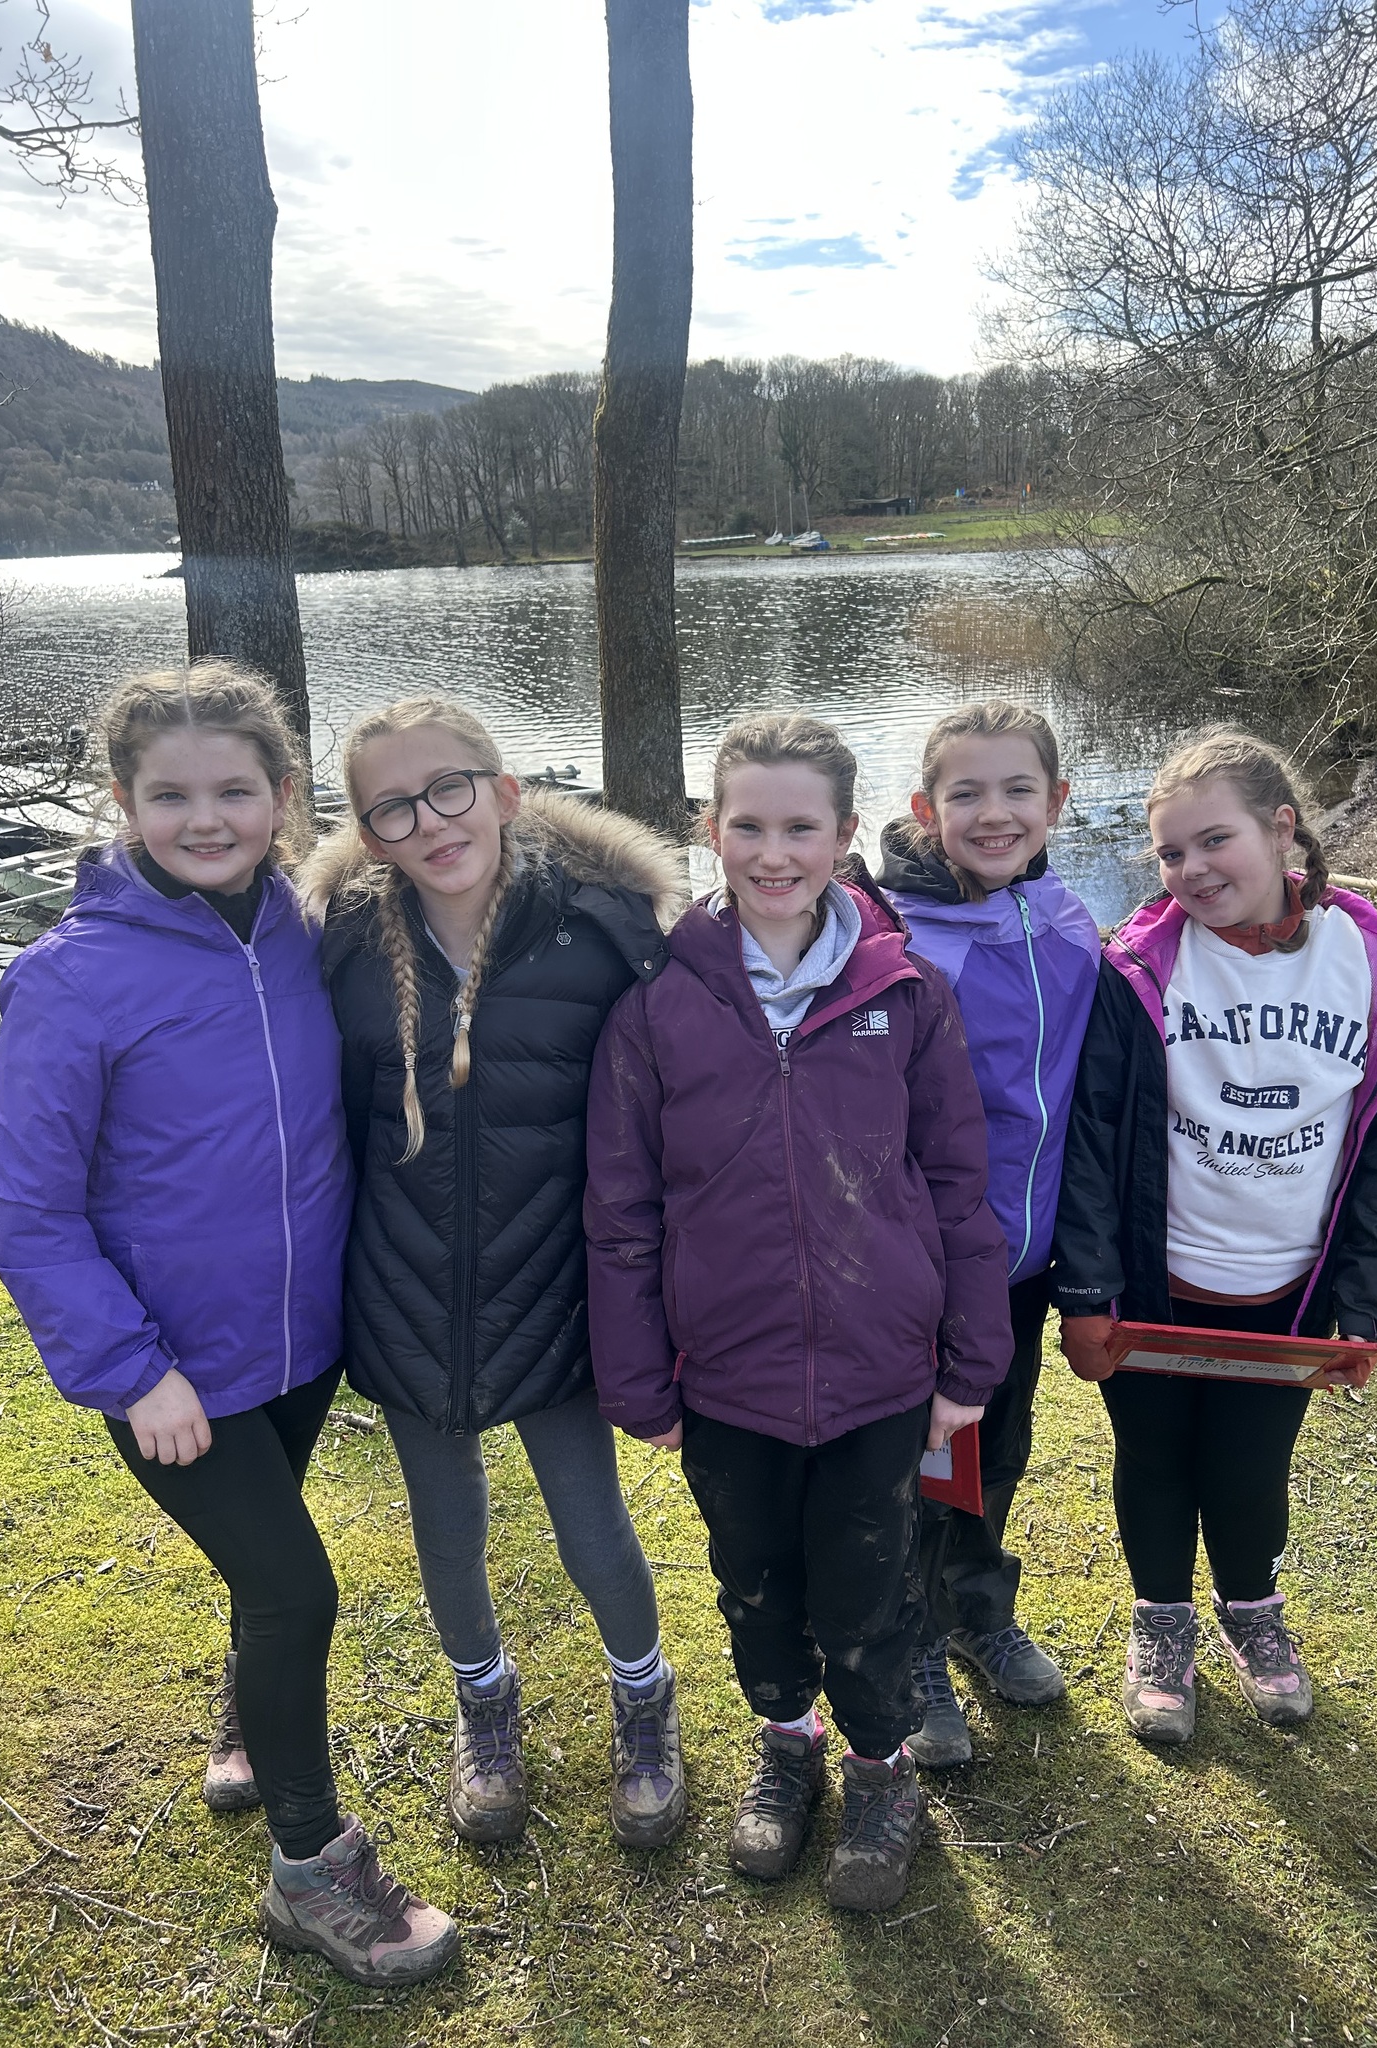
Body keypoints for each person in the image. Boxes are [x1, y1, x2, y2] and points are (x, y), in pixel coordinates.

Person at [0, 664, 458, 1986]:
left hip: (298, 1346)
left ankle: (250, 1713)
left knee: (267, 1576)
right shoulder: (71, 980)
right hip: (171, 1372)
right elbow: (24, 1208)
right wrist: (132, 1372)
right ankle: (311, 1870)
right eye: (172, 795)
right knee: (298, 1586)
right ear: (122, 799)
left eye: (236, 791)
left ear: (282, 796)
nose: (207, 819)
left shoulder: (310, 935)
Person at [585, 713, 1012, 1914]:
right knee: (755, 1581)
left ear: (843, 831)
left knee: (867, 1586)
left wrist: (972, 1359)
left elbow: (957, 1183)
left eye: (801, 827)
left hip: (881, 1371)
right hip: (727, 1374)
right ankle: (788, 1741)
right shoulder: (657, 1008)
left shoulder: (906, 994)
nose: (774, 853)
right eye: (749, 826)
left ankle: (880, 1769)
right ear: (710, 829)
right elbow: (620, 1212)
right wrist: (639, 1380)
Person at [300, 696, 689, 1854]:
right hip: (402, 1293)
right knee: (445, 1522)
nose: (430, 820)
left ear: (505, 792)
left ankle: (645, 1696)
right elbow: (313, 1115)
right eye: (394, 807)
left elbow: (671, 1111)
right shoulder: (341, 952)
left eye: (449, 788)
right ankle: (485, 1702)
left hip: (559, 1296)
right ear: (369, 834)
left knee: (590, 1521)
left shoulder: (606, 937)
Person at [1053, 727, 1377, 1744]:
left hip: (1287, 1295)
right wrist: (1086, 1293)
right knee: (1153, 1459)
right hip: (1157, 1288)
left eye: (1213, 840)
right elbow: (1091, 1140)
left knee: (1249, 1467)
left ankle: (1252, 1612)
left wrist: (1370, 1300)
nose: (1191, 869)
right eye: (1170, 852)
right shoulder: (1136, 968)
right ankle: (1160, 1622)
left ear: (1282, 830)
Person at [879, 702, 1100, 1766]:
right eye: (965, 793)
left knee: (996, 1448)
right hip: (918, 1268)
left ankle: (976, 1605)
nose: (994, 812)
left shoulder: (1070, 924)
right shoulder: (890, 938)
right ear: (926, 809)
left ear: (1058, 802)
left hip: (1024, 1260)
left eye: (1019, 790)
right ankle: (910, 1641)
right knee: (918, 1461)